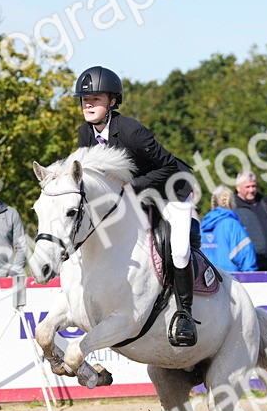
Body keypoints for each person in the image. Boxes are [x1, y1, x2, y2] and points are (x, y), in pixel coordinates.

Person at [73, 65, 199, 346]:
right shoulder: (86, 133)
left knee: (178, 249)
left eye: (96, 98)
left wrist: (133, 188)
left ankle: (185, 315)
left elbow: (167, 166)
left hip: (171, 187)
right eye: (85, 99)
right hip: (132, 195)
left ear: (113, 101)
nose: (88, 104)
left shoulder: (131, 131)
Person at [234, 171, 267, 272]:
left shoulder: (265, 204)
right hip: (251, 266)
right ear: (238, 187)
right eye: (247, 187)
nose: (251, 190)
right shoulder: (234, 209)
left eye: (254, 186)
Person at [199, 186, 257, 273]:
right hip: (229, 280)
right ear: (232, 202)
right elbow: (246, 257)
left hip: (206, 281)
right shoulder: (233, 225)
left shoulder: (201, 227)